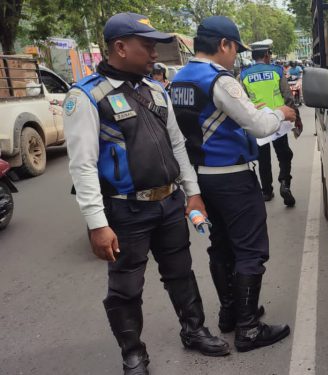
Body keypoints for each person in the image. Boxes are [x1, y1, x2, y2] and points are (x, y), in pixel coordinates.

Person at [63, 12, 229, 375]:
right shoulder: (88, 96)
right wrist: (96, 224)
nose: (154, 52)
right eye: (146, 45)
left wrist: (193, 193)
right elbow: (83, 165)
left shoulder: (155, 91)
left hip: (169, 203)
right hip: (126, 212)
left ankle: (194, 330)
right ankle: (133, 353)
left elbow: (178, 145)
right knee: (125, 288)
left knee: (181, 272)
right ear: (120, 47)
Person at [170, 16, 297, 353]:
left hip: (202, 177)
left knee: (221, 245)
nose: (235, 57)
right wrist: (283, 112)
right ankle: (249, 328)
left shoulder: (180, 78)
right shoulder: (220, 80)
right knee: (251, 250)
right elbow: (257, 126)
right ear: (224, 45)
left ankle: (230, 313)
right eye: (234, 49)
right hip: (232, 177)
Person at [240, 39, 301, 206]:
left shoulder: (244, 75)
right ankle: (284, 183)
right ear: (267, 55)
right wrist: (296, 117)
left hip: (258, 123)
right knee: (284, 155)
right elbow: (288, 96)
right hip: (278, 121)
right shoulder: (277, 71)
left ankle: (267, 191)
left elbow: (242, 102)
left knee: (263, 159)